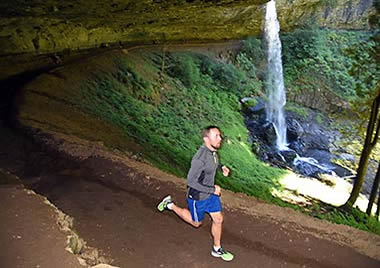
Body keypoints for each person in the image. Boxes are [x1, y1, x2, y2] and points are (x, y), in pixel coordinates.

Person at [157, 125, 234, 262]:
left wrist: (222, 167)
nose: (220, 138)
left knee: (218, 219)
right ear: (206, 139)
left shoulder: (213, 151)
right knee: (196, 223)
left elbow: (215, 160)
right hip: (197, 197)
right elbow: (191, 182)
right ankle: (170, 204)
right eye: (216, 136)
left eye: (220, 135)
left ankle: (217, 249)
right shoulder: (199, 159)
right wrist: (212, 190)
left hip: (211, 194)